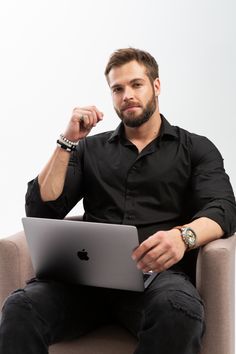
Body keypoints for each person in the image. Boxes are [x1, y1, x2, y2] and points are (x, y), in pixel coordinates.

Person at [0, 48, 236, 354]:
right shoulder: (89, 149)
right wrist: (67, 141)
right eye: (117, 88)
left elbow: (224, 208)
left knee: (178, 311)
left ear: (156, 86)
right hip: (83, 284)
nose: (127, 95)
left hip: (157, 281)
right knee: (21, 307)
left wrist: (184, 237)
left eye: (136, 84)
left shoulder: (195, 148)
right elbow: (42, 209)